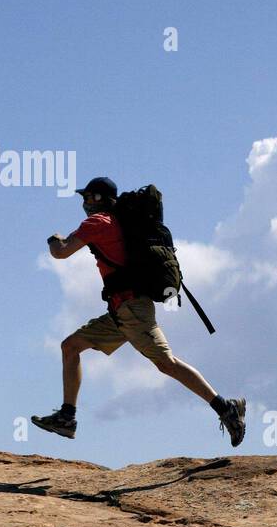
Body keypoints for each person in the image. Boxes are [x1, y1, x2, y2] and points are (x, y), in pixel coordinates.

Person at [32, 177, 246, 446]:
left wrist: (54, 238)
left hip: (131, 310)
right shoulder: (121, 222)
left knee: (166, 363)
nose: (84, 203)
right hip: (122, 311)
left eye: (87, 197)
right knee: (71, 346)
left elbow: (61, 252)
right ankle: (67, 417)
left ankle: (226, 409)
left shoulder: (98, 223)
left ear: (98, 200)